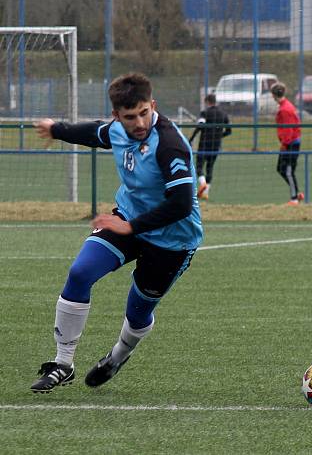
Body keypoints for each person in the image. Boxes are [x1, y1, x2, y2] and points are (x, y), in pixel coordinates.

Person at [30, 73, 203, 393]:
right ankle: (63, 363)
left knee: (138, 313)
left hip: (173, 238)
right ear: (117, 116)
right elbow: (93, 133)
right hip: (127, 219)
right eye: (129, 117)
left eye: (143, 113)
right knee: (80, 272)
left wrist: (132, 226)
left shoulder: (169, 145)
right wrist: (57, 130)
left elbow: (180, 204)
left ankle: (119, 355)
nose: (138, 122)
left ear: (153, 105)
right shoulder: (117, 130)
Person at [189, 93, 231, 200]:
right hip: (215, 145)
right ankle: (206, 193)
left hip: (204, 144)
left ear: (207, 102)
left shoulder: (205, 113)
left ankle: (202, 184)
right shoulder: (223, 114)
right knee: (210, 167)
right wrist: (219, 136)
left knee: (199, 166)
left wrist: (191, 138)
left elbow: (200, 126)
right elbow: (229, 131)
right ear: (215, 101)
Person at [270, 82, 304, 205]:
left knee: (288, 170)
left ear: (274, 95)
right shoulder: (285, 106)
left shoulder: (285, 109)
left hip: (291, 143)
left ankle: (294, 199)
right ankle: (297, 193)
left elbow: (288, 130)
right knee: (281, 168)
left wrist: (285, 144)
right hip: (289, 142)